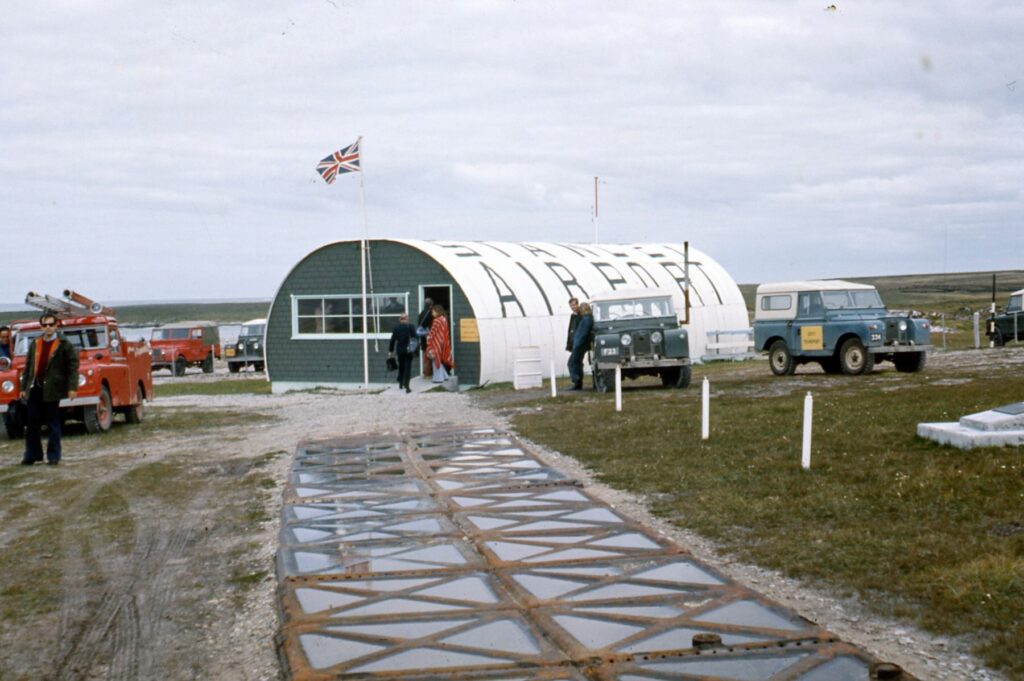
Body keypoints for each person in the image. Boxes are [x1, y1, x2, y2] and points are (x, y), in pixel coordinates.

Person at [20, 314, 79, 465]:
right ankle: (32, 455)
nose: (48, 327)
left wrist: (72, 387)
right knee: (32, 424)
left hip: (52, 389)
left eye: (51, 324)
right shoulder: (35, 343)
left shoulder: (64, 344)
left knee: (53, 423)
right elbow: (28, 367)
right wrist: (23, 387)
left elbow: (73, 367)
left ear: (56, 326)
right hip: (35, 388)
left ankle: (53, 456)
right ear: (41, 326)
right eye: (45, 325)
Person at [388, 313, 418, 393]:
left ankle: (400, 383)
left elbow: (392, 340)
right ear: (407, 319)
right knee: (408, 367)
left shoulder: (396, 328)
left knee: (401, 366)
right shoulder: (410, 326)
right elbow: (416, 337)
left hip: (400, 350)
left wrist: (390, 351)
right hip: (409, 350)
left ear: (400, 319)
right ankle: (407, 386)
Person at [568, 302, 593, 390]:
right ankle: (577, 382)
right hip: (580, 345)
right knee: (576, 363)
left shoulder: (586, 319)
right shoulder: (587, 318)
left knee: (573, 363)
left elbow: (582, 334)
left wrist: (576, 345)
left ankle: (577, 380)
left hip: (579, 345)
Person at [426, 304, 453, 383]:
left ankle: (438, 378)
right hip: (443, 342)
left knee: (435, 359)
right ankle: (444, 376)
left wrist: (428, 338)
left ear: (437, 312)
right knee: (439, 360)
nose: (432, 314)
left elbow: (433, 332)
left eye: (433, 312)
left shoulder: (436, 320)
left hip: (436, 342)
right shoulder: (444, 319)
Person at [417, 297, 434, 376]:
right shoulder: (432, 313)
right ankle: (427, 372)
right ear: (431, 304)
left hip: (423, 336)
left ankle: (427, 371)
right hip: (430, 336)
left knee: (425, 353)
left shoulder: (421, 313)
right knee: (431, 354)